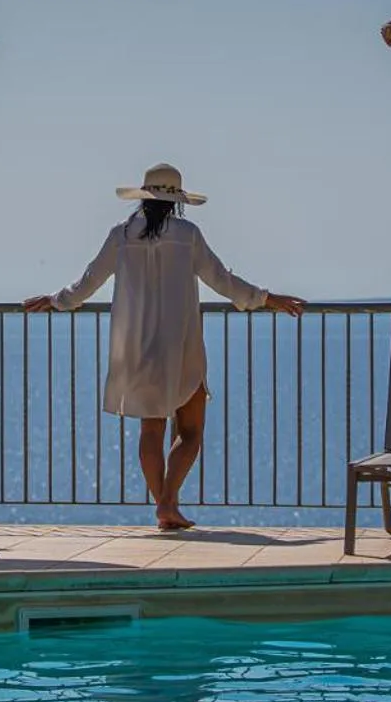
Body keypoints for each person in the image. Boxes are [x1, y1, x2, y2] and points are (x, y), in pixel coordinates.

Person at [25, 163, 305, 530]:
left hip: (135, 347)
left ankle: (164, 506)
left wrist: (55, 300)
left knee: (150, 430)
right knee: (190, 432)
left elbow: (88, 281)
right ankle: (168, 502)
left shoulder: (121, 234)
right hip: (181, 344)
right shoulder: (187, 234)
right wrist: (267, 298)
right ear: (178, 202)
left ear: (143, 196)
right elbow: (222, 280)